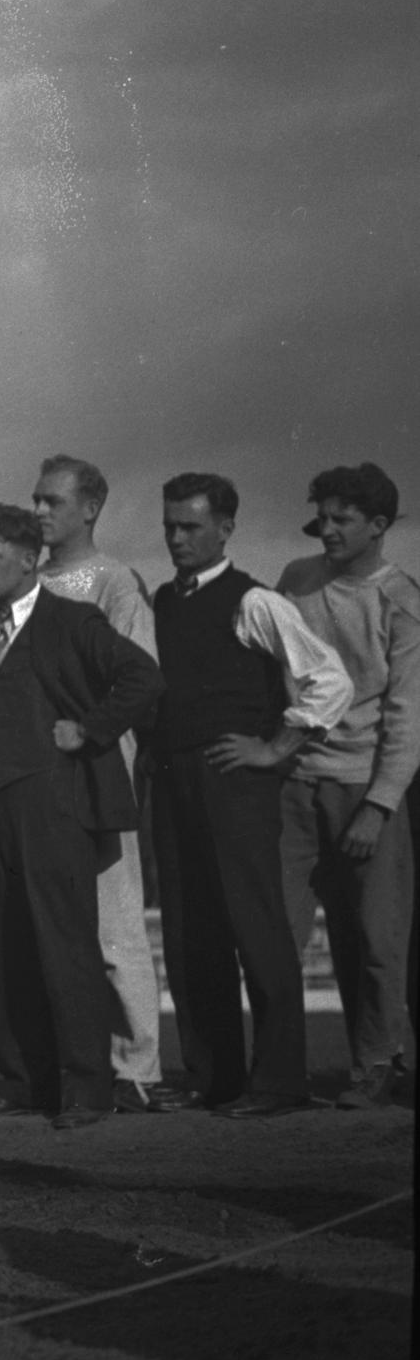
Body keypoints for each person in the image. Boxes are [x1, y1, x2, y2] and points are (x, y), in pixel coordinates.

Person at [0, 506, 163, 1128]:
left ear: (28, 559)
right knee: (4, 948)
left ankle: (87, 1089)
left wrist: (90, 730)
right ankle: (25, 1084)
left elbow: (143, 678)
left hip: (58, 807)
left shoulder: (73, 621)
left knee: (65, 946)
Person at [148, 472, 351, 1117]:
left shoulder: (255, 601)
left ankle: (280, 1083)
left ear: (226, 529)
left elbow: (330, 680)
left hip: (237, 783)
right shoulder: (163, 600)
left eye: (191, 527)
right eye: (170, 526)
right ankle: (215, 1079)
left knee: (255, 928)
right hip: (175, 782)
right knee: (190, 933)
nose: (177, 538)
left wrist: (274, 748)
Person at [32, 454, 180, 1112]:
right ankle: (71, 1067)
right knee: (56, 928)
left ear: (90, 509)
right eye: (36, 500)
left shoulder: (116, 580)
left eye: (53, 501)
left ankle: (138, 1068)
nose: (40, 511)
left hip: (100, 768)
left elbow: (140, 679)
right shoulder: (29, 582)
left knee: (115, 926)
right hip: (40, 777)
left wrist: (88, 732)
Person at [274, 462, 417, 1108]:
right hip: (295, 785)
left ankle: (378, 1063)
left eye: (342, 519)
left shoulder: (401, 600)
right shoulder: (296, 579)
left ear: (379, 525)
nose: (326, 529)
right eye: (321, 518)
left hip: (365, 788)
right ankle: (276, 1070)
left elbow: (407, 717)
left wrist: (379, 806)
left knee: (377, 939)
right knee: (279, 934)